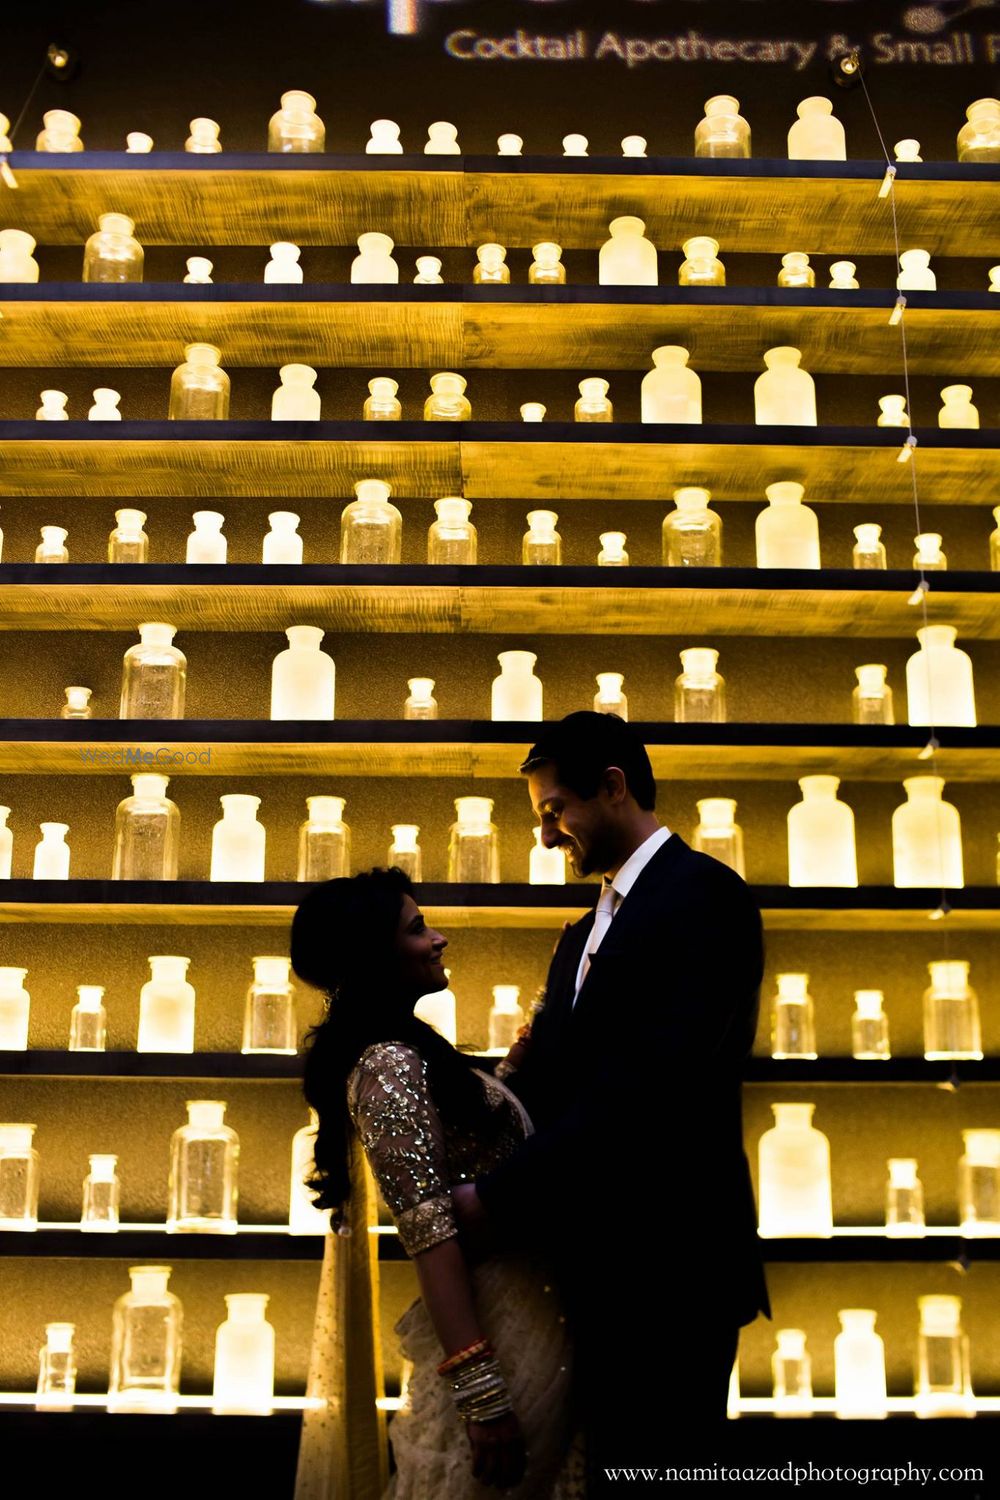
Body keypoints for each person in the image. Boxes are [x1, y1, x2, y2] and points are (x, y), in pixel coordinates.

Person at [452, 712, 771, 1488]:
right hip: (591, 1272)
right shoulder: (583, 929)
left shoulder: (705, 897)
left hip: (672, 1272)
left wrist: (497, 1198)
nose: (547, 837)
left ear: (614, 787)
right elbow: (557, 1080)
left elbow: (648, 1085)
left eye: (554, 810)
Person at [290, 867, 583, 1500]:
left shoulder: (404, 1049)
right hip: (498, 1329)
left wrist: (546, 1012)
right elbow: (430, 1233)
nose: (439, 937)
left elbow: (482, 1131)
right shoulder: (388, 1064)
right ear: (374, 954)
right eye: (419, 927)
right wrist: (481, 1394)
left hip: (528, 1308)